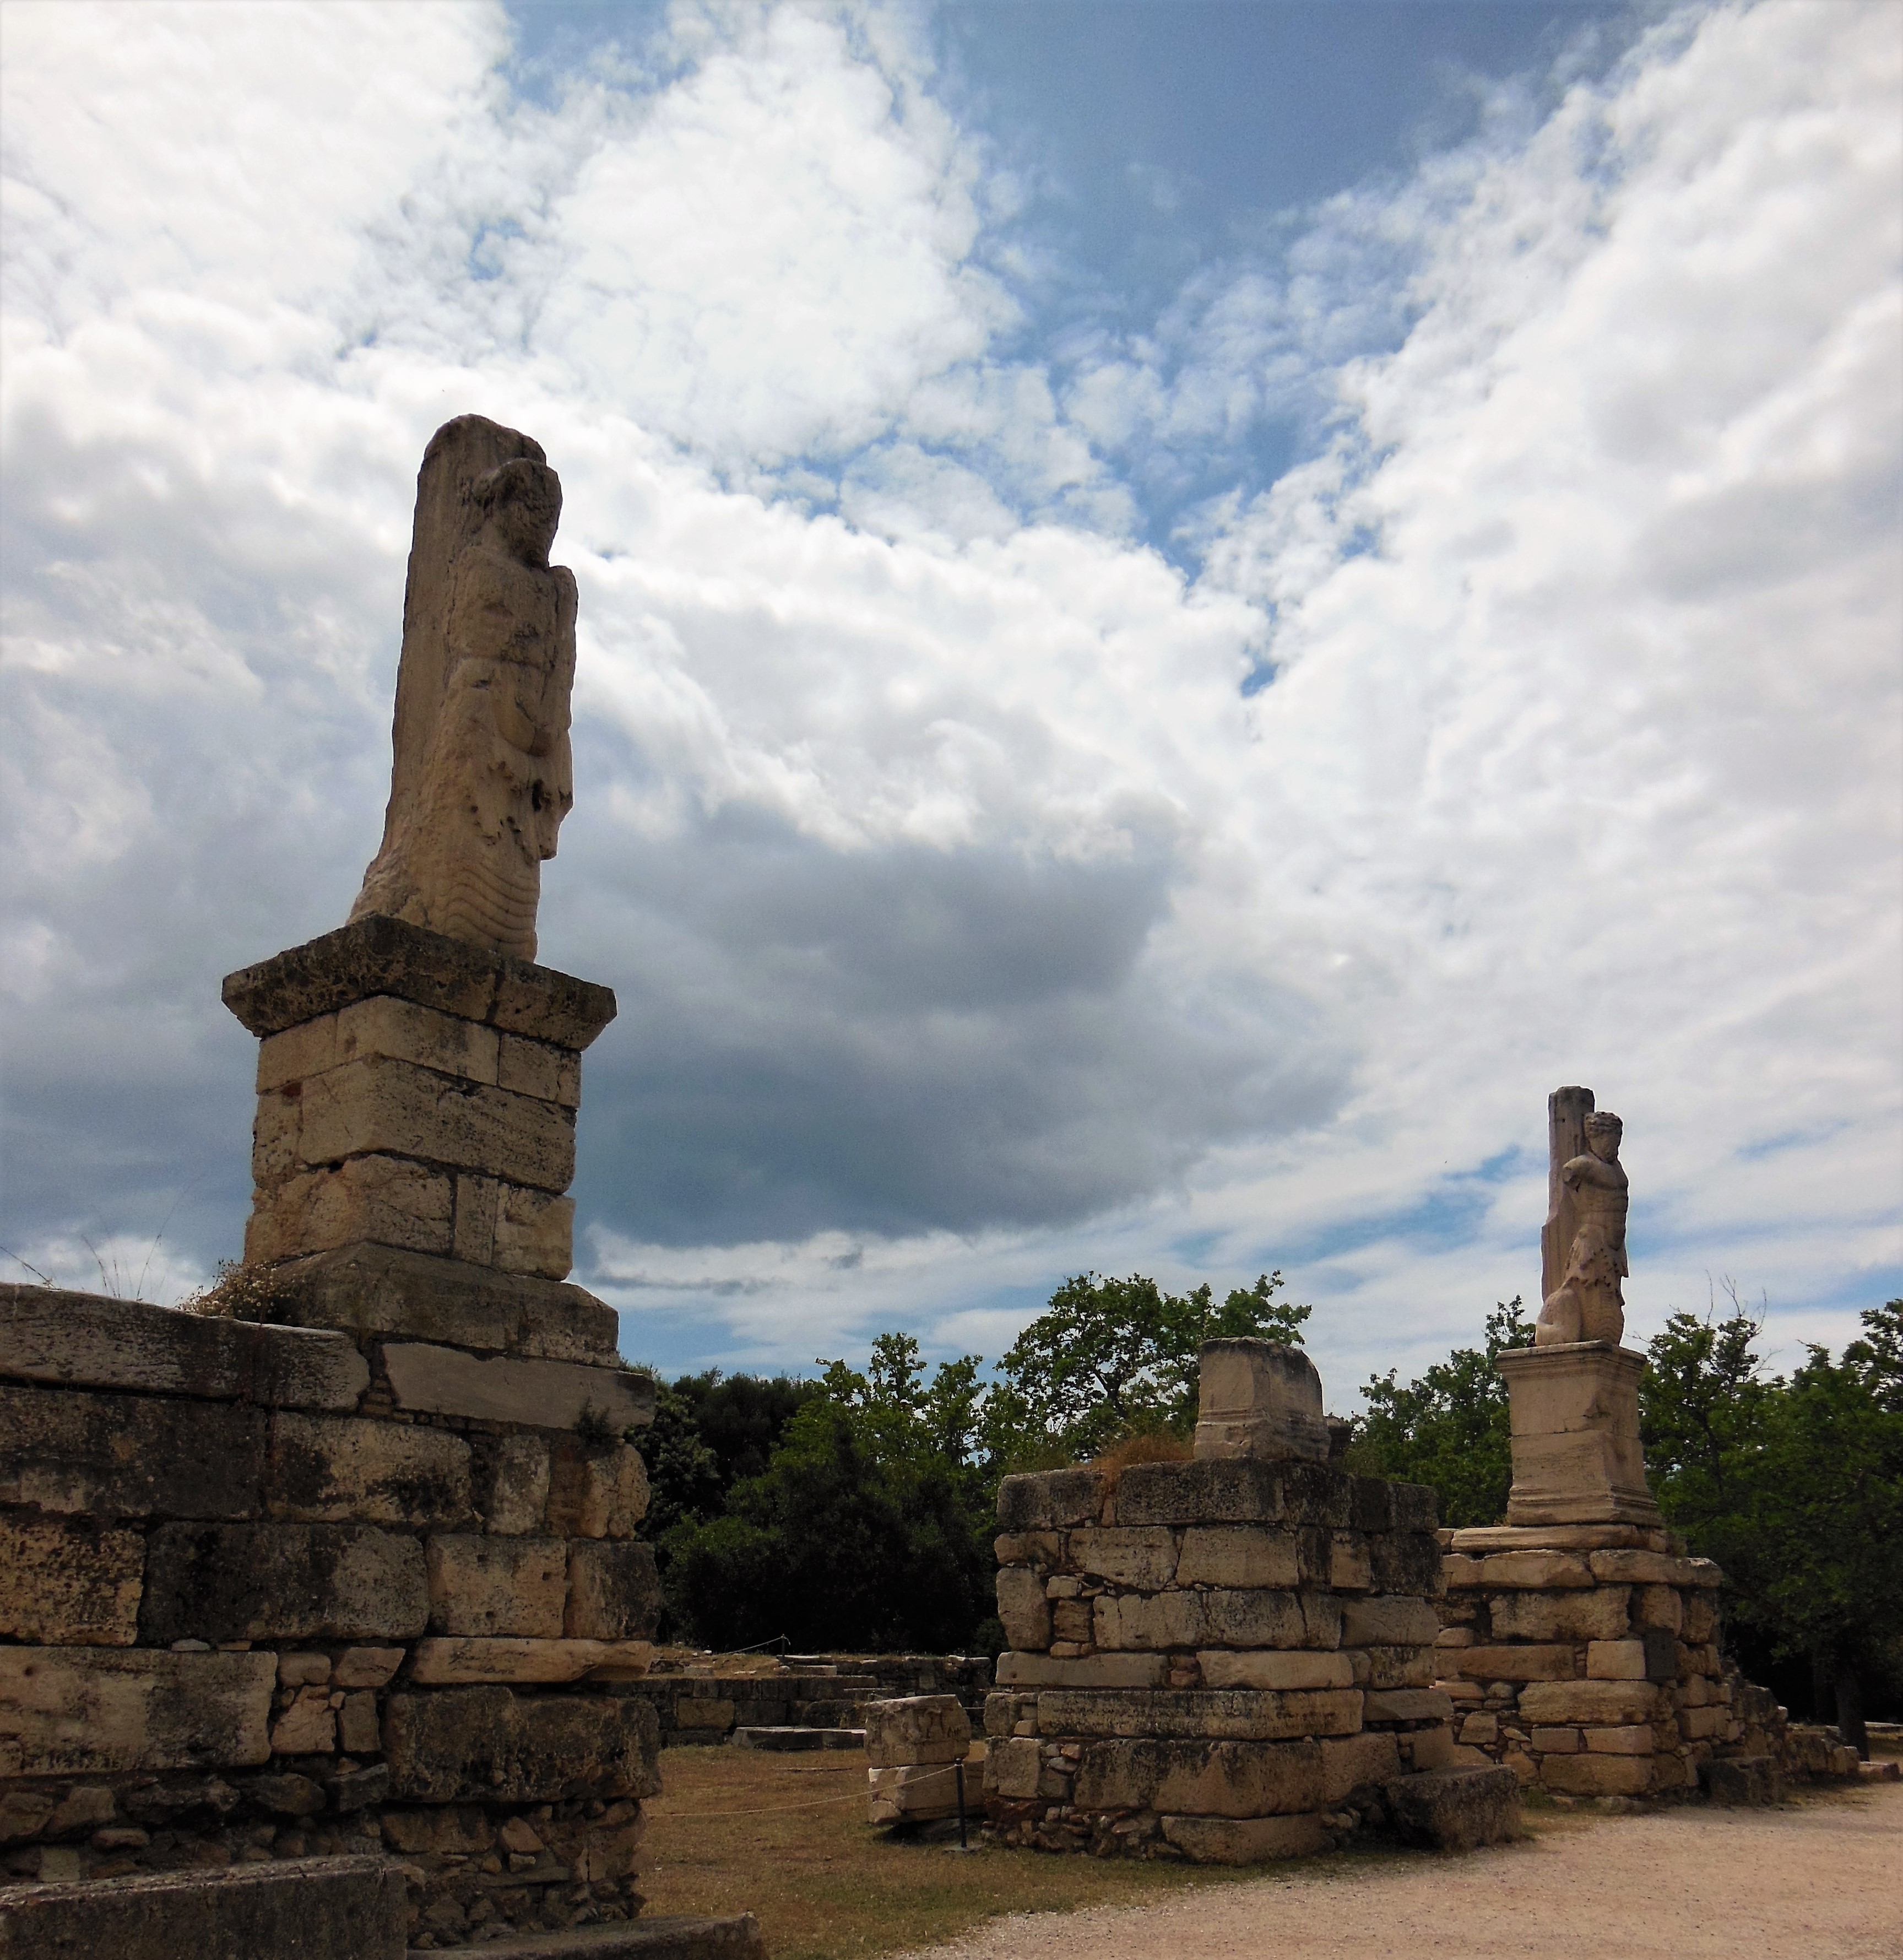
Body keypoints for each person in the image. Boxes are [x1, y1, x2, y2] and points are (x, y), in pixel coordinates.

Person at [1535, 1109, 1628, 1346]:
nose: (1614, 1146)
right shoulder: (1581, 1166)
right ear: (1594, 1138)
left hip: (1614, 1249)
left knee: (1610, 1307)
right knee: (1588, 1294)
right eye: (1609, 1140)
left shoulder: (1616, 1169)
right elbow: (1568, 1173)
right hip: (1592, 1243)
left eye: (1617, 1140)